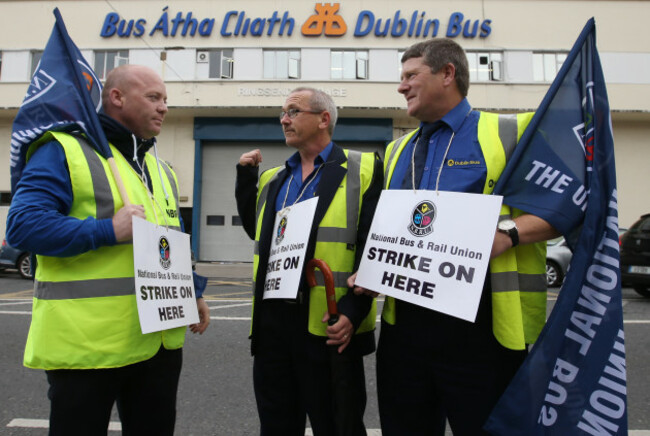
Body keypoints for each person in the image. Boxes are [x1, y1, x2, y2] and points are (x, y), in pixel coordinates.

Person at [349, 39, 559, 435]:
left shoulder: (511, 131)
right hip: (405, 327)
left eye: (411, 75)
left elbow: (565, 207)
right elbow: (395, 230)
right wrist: (372, 271)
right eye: (401, 78)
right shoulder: (396, 150)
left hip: (482, 328)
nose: (401, 86)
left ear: (448, 74)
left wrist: (508, 234)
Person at [6, 64, 210, 436]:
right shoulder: (64, 150)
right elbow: (22, 225)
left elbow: (169, 237)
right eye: (153, 97)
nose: (164, 107)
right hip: (88, 347)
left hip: (157, 343)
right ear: (116, 97)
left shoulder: (160, 168)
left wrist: (191, 289)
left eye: (165, 99)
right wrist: (107, 230)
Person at [235, 87, 383, 435]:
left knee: (337, 425)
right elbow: (255, 229)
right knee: (276, 424)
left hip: (327, 324)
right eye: (283, 113)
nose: (284, 119)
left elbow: (374, 247)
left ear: (323, 119)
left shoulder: (363, 168)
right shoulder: (275, 178)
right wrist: (245, 179)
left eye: (293, 111)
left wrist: (353, 311)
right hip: (273, 324)